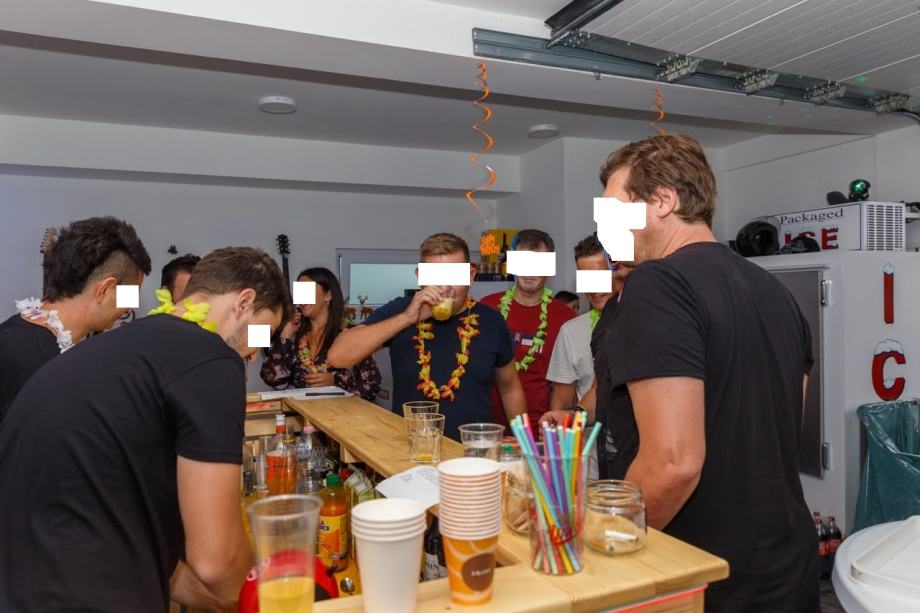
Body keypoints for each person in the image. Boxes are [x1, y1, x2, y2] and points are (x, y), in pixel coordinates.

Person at [596, 134, 817, 612]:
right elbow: (786, 426)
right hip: (784, 565)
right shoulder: (776, 292)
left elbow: (674, 462)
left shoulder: (658, 283)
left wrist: (611, 544)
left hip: (699, 570)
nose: (603, 229)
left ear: (663, 201)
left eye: (612, 212)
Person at [0, 247, 289, 612]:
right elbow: (216, 559)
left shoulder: (119, 349)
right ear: (243, 302)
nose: (256, 352)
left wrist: (217, 605)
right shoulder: (210, 358)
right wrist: (268, 597)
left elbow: (147, 551)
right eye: (263, 332)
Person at [328, 233, 526, 440]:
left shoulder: (492, 321)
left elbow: (510, 388)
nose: (444, 287)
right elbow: (337, 356)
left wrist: (524, 441)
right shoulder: (400, 310)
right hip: (410, 447)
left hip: (473, 450)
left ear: (470, 275)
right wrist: (407, 318)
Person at [0, 216, 151, 423]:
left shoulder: (33, 338)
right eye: (131, 295)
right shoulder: (23, 356)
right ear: (105, 289)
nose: (131, 307)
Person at [545, 234, 633, 476]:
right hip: (589, 464)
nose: (594, 288)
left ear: (619, 272)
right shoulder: (571, 331)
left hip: (635, 461)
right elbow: (565, 402)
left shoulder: (640, 324)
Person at [480, 229, 576, 426]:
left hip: (539, 429)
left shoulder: (565, 317)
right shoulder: (487, 307)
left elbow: (565, 385)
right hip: (488, 427)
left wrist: (552, 429)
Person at [261, 266, 381, 401]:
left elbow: (372, 387)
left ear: (328, 295)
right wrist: (286, 334)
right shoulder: (293, 335)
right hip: (298, 413)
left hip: (338, 413)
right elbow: (271, 378)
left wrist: (336, 382)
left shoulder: (351, 336)